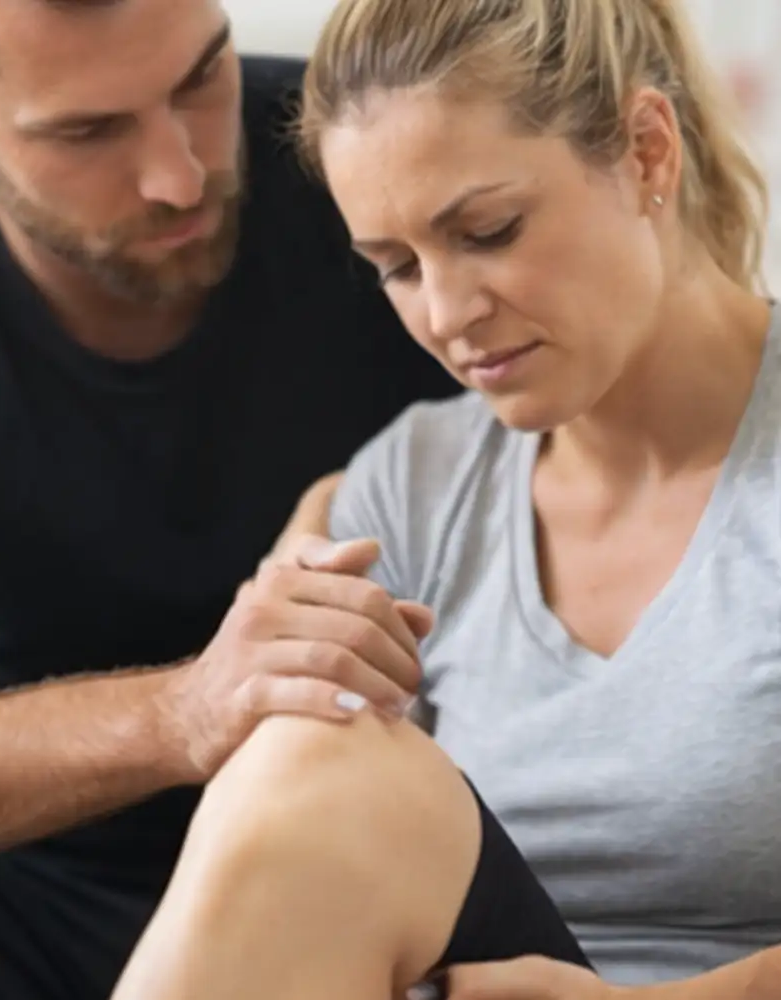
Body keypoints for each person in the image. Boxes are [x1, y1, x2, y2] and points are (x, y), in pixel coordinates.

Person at [95, 0, 781, 998]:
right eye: (396, 268)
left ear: (644, 152)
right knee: (311, 755)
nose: (447, 315)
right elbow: (283, 840)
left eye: (488, 231)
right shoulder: (408, 489)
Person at [0, 0, 463, 996]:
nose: (181, 175)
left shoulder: (363, 156)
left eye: (201, 78)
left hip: (354, 867)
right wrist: (179, 712)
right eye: (87, 130)